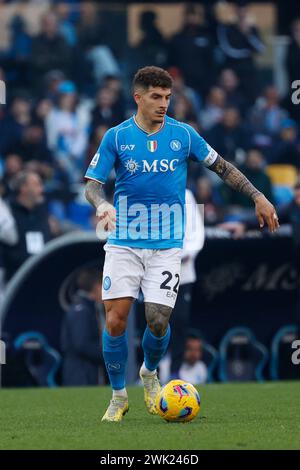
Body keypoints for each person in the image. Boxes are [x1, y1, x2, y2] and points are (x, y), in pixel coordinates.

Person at [84, 66, 279, 422]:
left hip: (166, 245)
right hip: (125, 241)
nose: (163, 104)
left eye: (167, 97)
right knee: (115, 320)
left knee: (157, 322)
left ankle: (149, 372)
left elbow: (222, 167)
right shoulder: (117, 137)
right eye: (156, 97)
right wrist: (102, 204)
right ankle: (117, 395)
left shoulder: (184, 135)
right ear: (138, 97)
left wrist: (258, 195)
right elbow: (93, 184)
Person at [61, 267, 105, 386]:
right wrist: (107, 355)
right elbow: (81, 344)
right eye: (104, 285)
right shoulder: (81, 310)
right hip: (80, 376)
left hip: (88, 373)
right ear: (96, 286)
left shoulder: (89, 308)